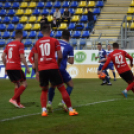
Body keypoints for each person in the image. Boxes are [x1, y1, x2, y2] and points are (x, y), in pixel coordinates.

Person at [33, 25, 78, 116]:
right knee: (62, 88)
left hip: (42, 68)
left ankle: (44, 110)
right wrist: (56, 64)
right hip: (53, 67)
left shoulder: (37, 42)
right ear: (50, 31)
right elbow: (60, 56)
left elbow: (36, 58)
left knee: (45, 89)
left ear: (41, 32)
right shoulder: (54, 41)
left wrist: (37, 71)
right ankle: (70, 109)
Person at [1, 30, 30, 108]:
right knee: (24, 84)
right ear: (21, 37)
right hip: (16, 66)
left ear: (14, 36)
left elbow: (3, 56)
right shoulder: (20, 44)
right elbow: (22, 56)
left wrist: (6, 67)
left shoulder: (8, 44)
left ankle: (18, 103)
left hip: (9, 66)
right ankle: (13, 99)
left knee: (17, 84)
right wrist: (27, 67)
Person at [47, 30, 74, 112]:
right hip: (61, 68)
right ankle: (63, 102)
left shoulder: (55, 43)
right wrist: (67, 59)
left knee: (52, 85)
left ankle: (49, 103)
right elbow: (71, 61)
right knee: (70, 85)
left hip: (52, 68)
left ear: (61, 37)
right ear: (69, 38)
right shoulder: (69, 47)